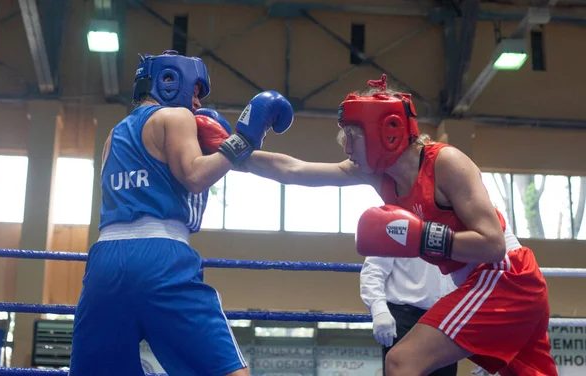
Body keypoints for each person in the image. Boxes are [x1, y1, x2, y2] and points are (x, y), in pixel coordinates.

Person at [227, 74, 557, 376]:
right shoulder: (375, 174)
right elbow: (295, 171)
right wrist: (230, 153)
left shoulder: (446, 163)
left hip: (504, 278)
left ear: (386, 131)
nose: (346, 148)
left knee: (401, 361)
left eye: (353, 137)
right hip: (487, 283)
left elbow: (492, 243)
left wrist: (423, 237)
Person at [69, 50, 294, 376]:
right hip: (159, 257)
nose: (198, 104)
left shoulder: (113, 135)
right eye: (196, 92)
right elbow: (195, 175)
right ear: (170, 82)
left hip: (103, 263)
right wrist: (243, 139)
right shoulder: (175, 118)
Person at [360, 255, 458, 376]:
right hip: (406, 317)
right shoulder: (391, 235)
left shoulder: (462, 236)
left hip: (449, 318)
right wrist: (378, 309)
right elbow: (374, 268)